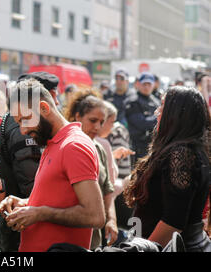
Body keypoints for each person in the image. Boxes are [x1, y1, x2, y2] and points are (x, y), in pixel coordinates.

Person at [0, 79, 106, 252]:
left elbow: (95, 216)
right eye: (18, 123)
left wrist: (40, 213)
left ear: (44, 108)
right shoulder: (53, 143)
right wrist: (25, 204)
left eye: (25, 120)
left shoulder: (73, 146)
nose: (22, 130)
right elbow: (58, 200)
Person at [124, 86, 211, 251]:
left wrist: (144, 249)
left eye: (162, 106)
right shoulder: (180, 149)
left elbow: (173, 222)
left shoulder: (182, 153)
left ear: (177, 113)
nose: (157, 111)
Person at [0, 71, 59, 252]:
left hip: (12, 220)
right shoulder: (27, 127)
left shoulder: (7, 120)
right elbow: (31, 185)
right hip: (23, 226)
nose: (57, 103)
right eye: (53, 96)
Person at [64, 89, 118, 249]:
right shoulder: (65, 146)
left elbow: (108, 189)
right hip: (69, 237)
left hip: (95, 238)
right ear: (77, 117)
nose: (97, 127)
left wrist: (111, 220)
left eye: (101, 122)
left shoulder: (99, 148)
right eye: (93, 120)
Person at [98, 101, 135, 230]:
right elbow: (109, 185)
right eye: (111, 122)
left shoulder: (96, 142)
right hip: (105, 207)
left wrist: (112, 156)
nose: (113, 126)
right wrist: (126, 182)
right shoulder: (103, 143)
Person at [125, 72, 160, 162]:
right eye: (144, 84)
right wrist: (159, 116)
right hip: (137, 146)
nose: (146, 87)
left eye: (149, 84)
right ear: (138, 84)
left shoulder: (156, 101)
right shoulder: (133, 101)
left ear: (153, 85)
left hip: (153, 145)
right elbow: (141, 123)